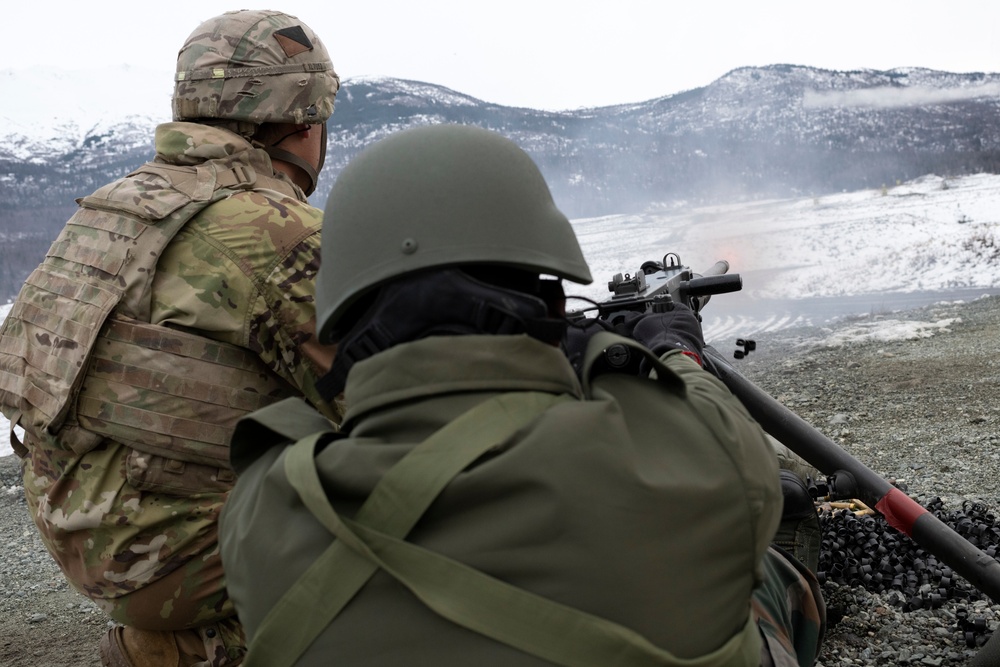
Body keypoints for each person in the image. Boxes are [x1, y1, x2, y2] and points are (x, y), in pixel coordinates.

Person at [219, 124, 825, 666]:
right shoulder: (691, 459)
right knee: (768, 577)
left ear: (338, 325)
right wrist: (666, 348)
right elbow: (727, 435)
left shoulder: (262, 507)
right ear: (553, 304)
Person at [0, 9, 341, 667]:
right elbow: (393, 399)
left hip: (80, 532)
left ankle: (165, 641)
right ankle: (212, 644)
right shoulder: (282, 233)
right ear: (306, 122)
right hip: (171, 558)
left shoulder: (115, 208)